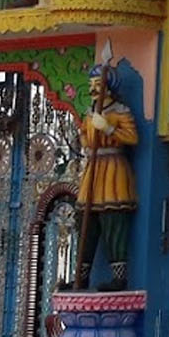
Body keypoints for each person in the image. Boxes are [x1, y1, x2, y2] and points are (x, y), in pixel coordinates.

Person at [72, 54, 138, 292]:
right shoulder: (90, 112)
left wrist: (108, 127)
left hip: (113, 170)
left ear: (109, 88)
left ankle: (119, 277)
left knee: (114, 223)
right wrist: (86, 137)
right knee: (85, 223)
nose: (93, 90)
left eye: (98, 86)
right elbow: (83, 135)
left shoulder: (120, 110)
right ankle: (81, 276)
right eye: (91, 86)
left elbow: (132, 137)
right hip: (93, 169)